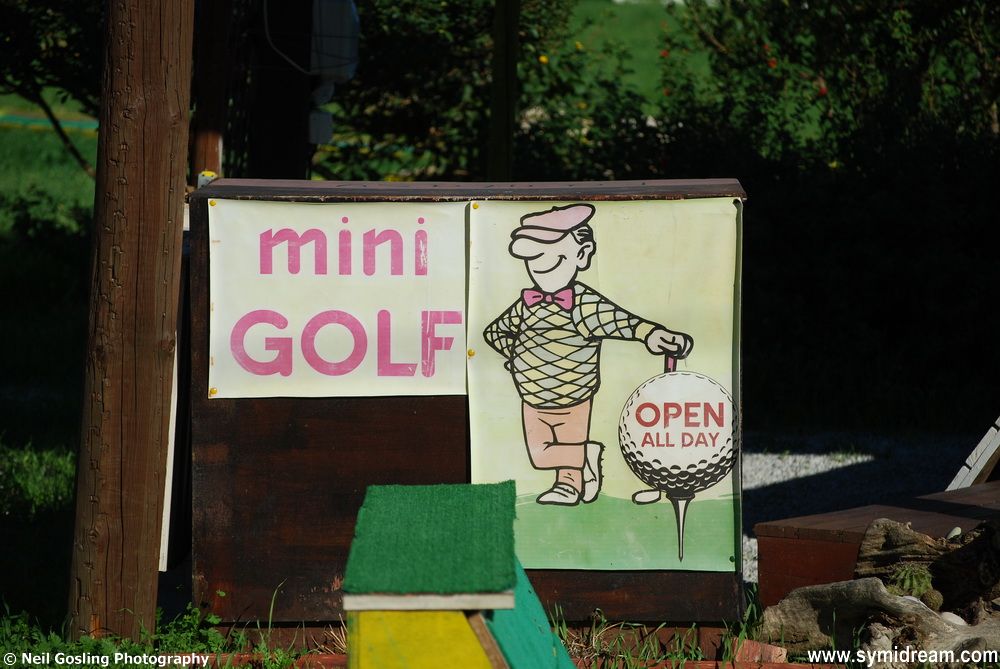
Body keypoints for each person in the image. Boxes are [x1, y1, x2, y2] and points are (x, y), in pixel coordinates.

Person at [483, 203, 693, 506]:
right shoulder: (526, 305)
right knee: (540, 455)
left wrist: (651, 333)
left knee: (565, 444)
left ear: (581, 255)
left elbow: (620, 321)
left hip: (574, 394)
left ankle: (569, 485)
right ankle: (586, 455)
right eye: (533, 259)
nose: (540, 266)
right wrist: (517, 357)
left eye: (554, 257)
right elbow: (495, 332)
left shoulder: (583, 304)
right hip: (531, 394)